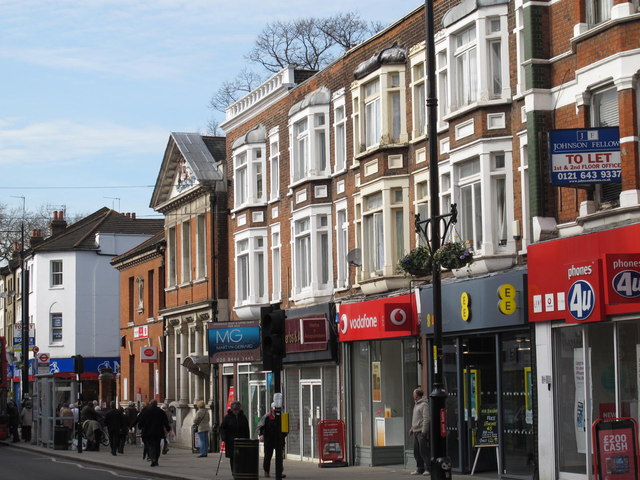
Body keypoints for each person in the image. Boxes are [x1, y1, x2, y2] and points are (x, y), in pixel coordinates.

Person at [137, 399, 171, 467]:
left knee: (151, 446)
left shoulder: (146, 411)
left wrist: (140, 426)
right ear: (156, 404)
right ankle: (156, 460)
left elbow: (141, 421)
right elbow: (165, 422)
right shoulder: (161, 412)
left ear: (150, 404)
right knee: (157, 446)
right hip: (158, 432)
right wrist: (168, 428)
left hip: (148, 432)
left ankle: (153, 458)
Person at [258, 403, 287, 478]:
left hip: (279, 440)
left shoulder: (283, 417)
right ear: (271, 409)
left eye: (278, 409)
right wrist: (261, 434)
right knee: (267, 456)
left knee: (279, 457)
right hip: (269, 440)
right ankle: (266, 471)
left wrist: (283, 435)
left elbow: (285, 429)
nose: (276, 410)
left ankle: (279, 472)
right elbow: (261, 426)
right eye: (274, 409)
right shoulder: (266, 417)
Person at [220, 401, 250, 473]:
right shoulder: (227, 418)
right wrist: (224, 436)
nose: (236, 411)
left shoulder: (243, 417)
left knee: (241, 456)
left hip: (241, 440)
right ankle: (234, 471)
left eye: (237, 410)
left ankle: (240, 470)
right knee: (233, 457)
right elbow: (222, 428)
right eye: (234, 410)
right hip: (231, 441)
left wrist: (247, 439)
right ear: (232, 410)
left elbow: (246, 429)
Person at [409, 388, 430, 476]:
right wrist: (412, 428)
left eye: (414, 393)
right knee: (416, 451)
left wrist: (424, 431)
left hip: (421, 431)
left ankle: (428, 469)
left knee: (423, 451)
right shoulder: (416, 404)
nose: (413, 395)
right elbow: (416, 418)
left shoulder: (424, 405)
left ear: (417, 395)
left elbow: (426, 419)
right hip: (416, 431)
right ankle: (419, 469)